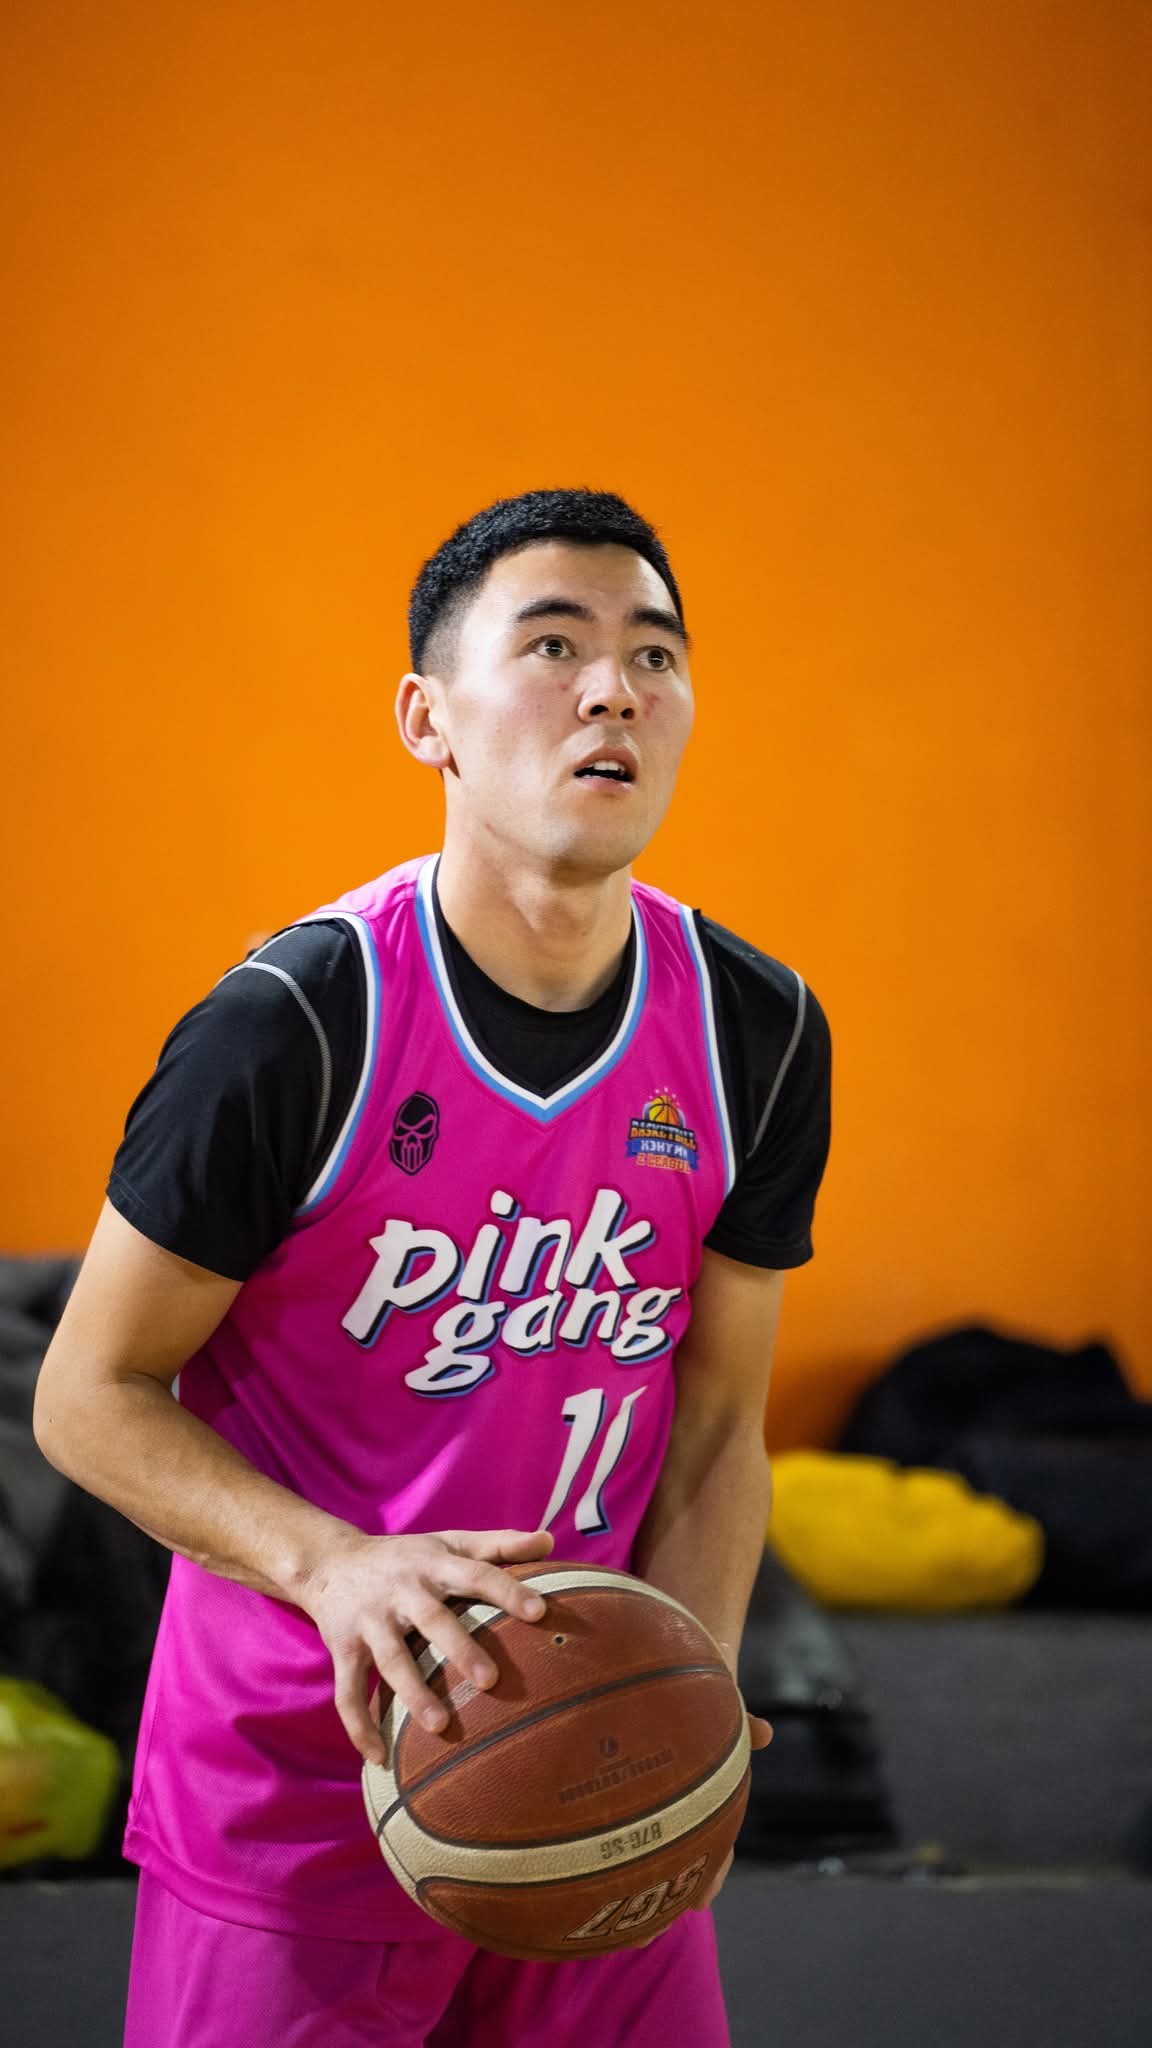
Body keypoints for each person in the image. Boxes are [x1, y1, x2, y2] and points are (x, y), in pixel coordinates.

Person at [34, 488, 831, 2047]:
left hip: (590, 1754)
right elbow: (87, 1394)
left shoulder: (758, 1030)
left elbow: (723, 1423)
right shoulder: (294, 1026)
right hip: (297, 1785)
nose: (614, 691)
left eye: (654, 655)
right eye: (555, 646)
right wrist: (337, 1567)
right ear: (428, 719)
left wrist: (689, 1697)